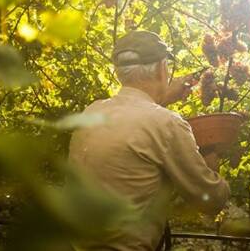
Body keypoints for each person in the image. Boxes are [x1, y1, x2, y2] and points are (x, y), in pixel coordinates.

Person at [68, 31, 230, 250]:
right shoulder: (166, 124)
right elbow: (211, 200)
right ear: (162, 68)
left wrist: (162, 98)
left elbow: (137, 122)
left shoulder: (92, 111)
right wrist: (211, 154)